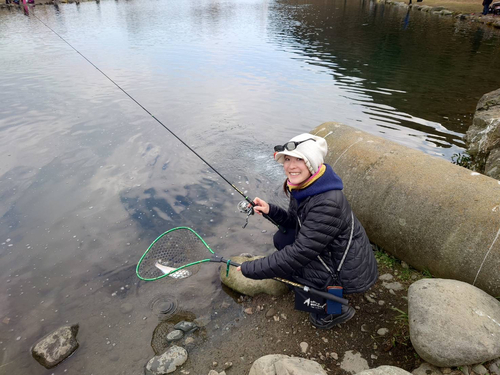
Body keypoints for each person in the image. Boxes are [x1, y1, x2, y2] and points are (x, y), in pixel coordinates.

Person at [237, 133, 378, 329]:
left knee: (296, 262)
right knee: (282, 238)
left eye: (299, 160)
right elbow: (296, 223)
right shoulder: (306, 186)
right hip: (334, 253)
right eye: (287, 159)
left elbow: (300, 252)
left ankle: (335, 311)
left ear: (312, 163)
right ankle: (312, 282)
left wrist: (251, 269)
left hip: (347, 270)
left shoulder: (328, 202)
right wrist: (271, 210)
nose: (291, 166)